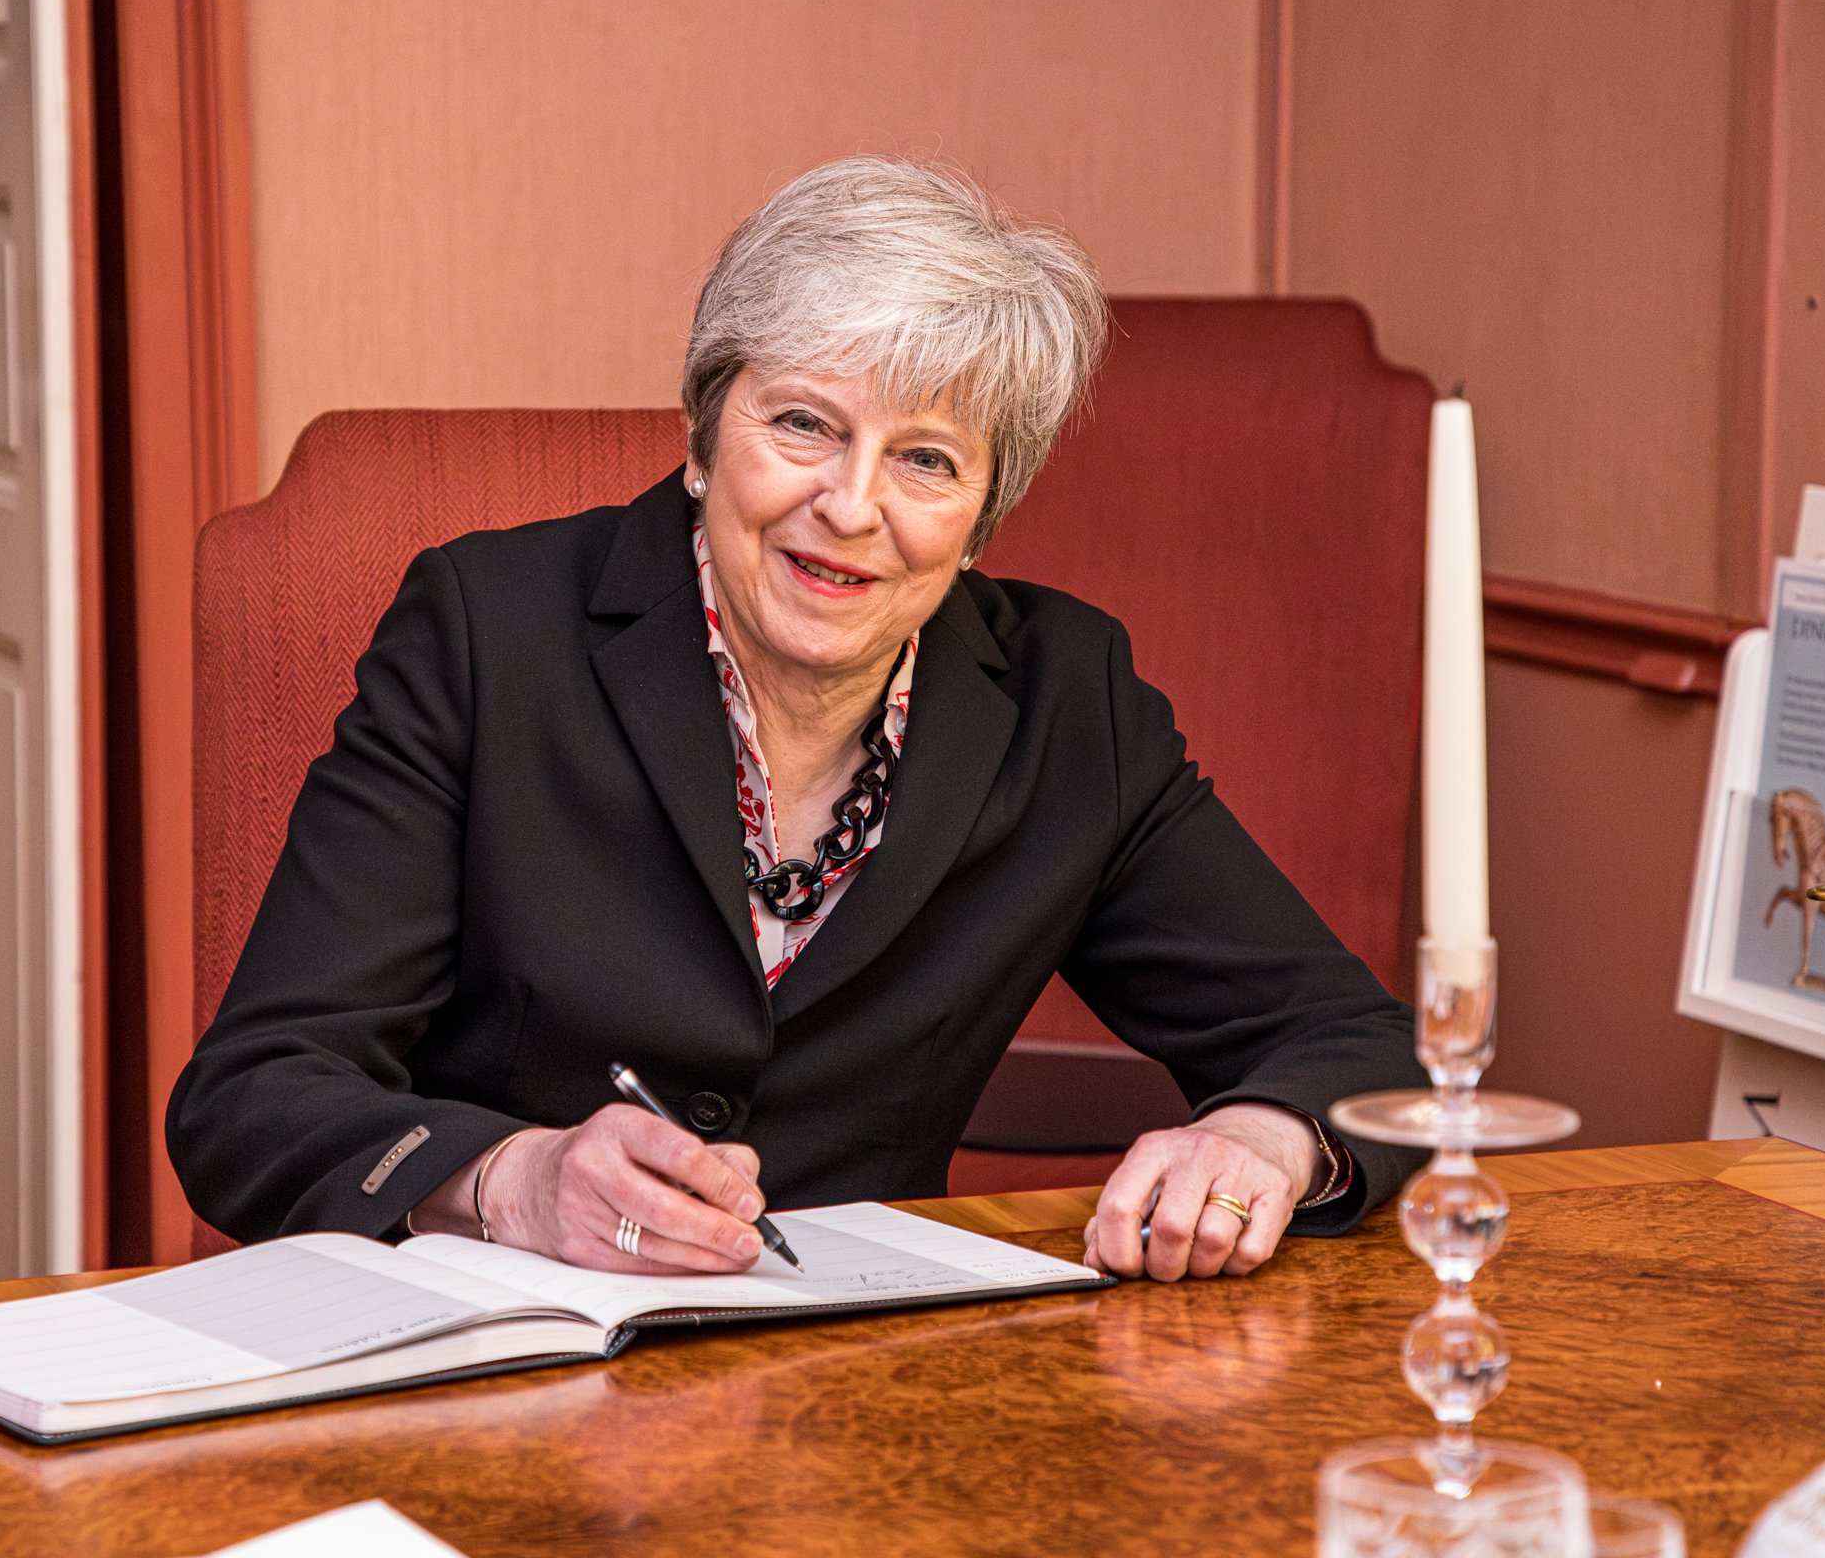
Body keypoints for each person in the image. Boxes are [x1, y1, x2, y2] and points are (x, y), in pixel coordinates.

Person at [169, 155, 1423, 1284]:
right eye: (805, 424)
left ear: (985, 516)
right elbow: (251, 1096)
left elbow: (1354, 1043)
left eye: (928, 459)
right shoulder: (486, 633)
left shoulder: (1066, 702)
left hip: (863, 1413)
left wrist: (1264, 1137)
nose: (851, 505)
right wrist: (511, 1182)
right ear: (706, 434)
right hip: (493, 1374)